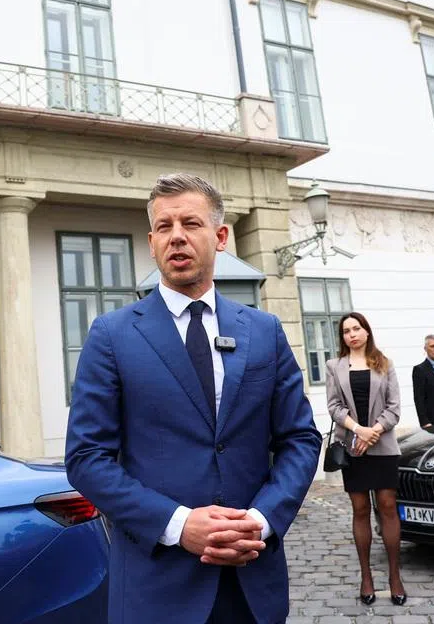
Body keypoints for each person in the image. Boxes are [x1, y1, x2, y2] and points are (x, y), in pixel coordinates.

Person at [65, 173, 320, 624]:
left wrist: (261, 520)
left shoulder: (264, 331)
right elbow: (87, 457)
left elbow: (300, 438)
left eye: (190, 223)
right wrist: (179, 525)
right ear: (151, 241)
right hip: (157, 585)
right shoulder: (112, 335)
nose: (177, 236)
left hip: (251, 580)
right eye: (164, 227)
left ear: (220, 236)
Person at [325, 312, 405, 607]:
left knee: (387, 507)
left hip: (383, 446)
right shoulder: (335, 366)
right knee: (359, 509)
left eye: (356, 328)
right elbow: (333, 407)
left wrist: (374, 431)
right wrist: (358, 431)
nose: (351, 334)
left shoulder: (384, 363)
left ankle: (395, 577)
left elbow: (395, 408)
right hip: (352, 447)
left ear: (367, 331)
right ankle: (366, 577)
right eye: (346, 331)